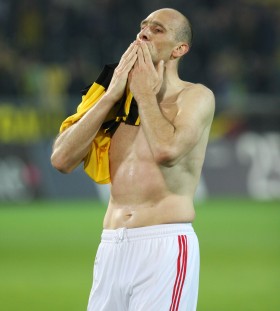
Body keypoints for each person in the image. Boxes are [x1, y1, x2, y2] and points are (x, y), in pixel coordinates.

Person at [51, 7, 215, 311]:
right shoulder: (114, 98)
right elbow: (61, 159)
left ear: (180, 49)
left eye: (157, 29)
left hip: (164, 245)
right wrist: (112, 95)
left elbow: (167, 151)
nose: (144, 33)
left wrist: (144, 95)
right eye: (143, 26)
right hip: (112, 245)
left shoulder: (195, 97)